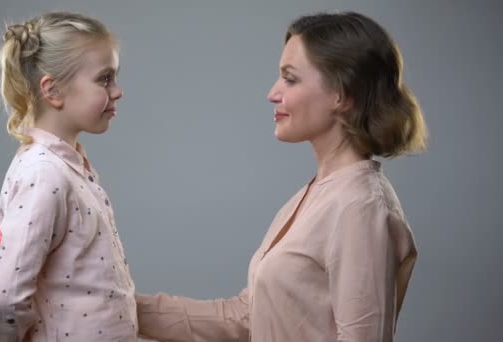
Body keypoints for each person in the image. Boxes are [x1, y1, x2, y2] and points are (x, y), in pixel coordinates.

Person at [136, 11, 427, 342]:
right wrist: (118, 305)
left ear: (341, 95)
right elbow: (247, 317)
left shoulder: (358, 207)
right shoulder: (320, 193)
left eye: (290, 79)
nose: (272, 93)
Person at [0, 11, 137, 342]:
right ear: (53, 91)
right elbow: (5, 298)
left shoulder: (68, 165)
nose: (119, 90)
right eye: (105, 78)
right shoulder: (44, 172)